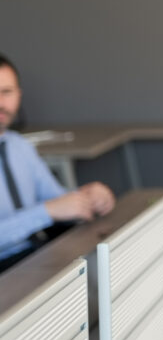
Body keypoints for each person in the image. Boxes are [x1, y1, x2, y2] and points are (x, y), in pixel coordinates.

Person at [0, 53, 116, 270]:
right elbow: (50, 209)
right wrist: (45, 212)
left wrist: (88, 197)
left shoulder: (19, 146)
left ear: (18, 95)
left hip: (35, 257)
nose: (0, 102)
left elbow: (56, 199)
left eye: (6, 92)